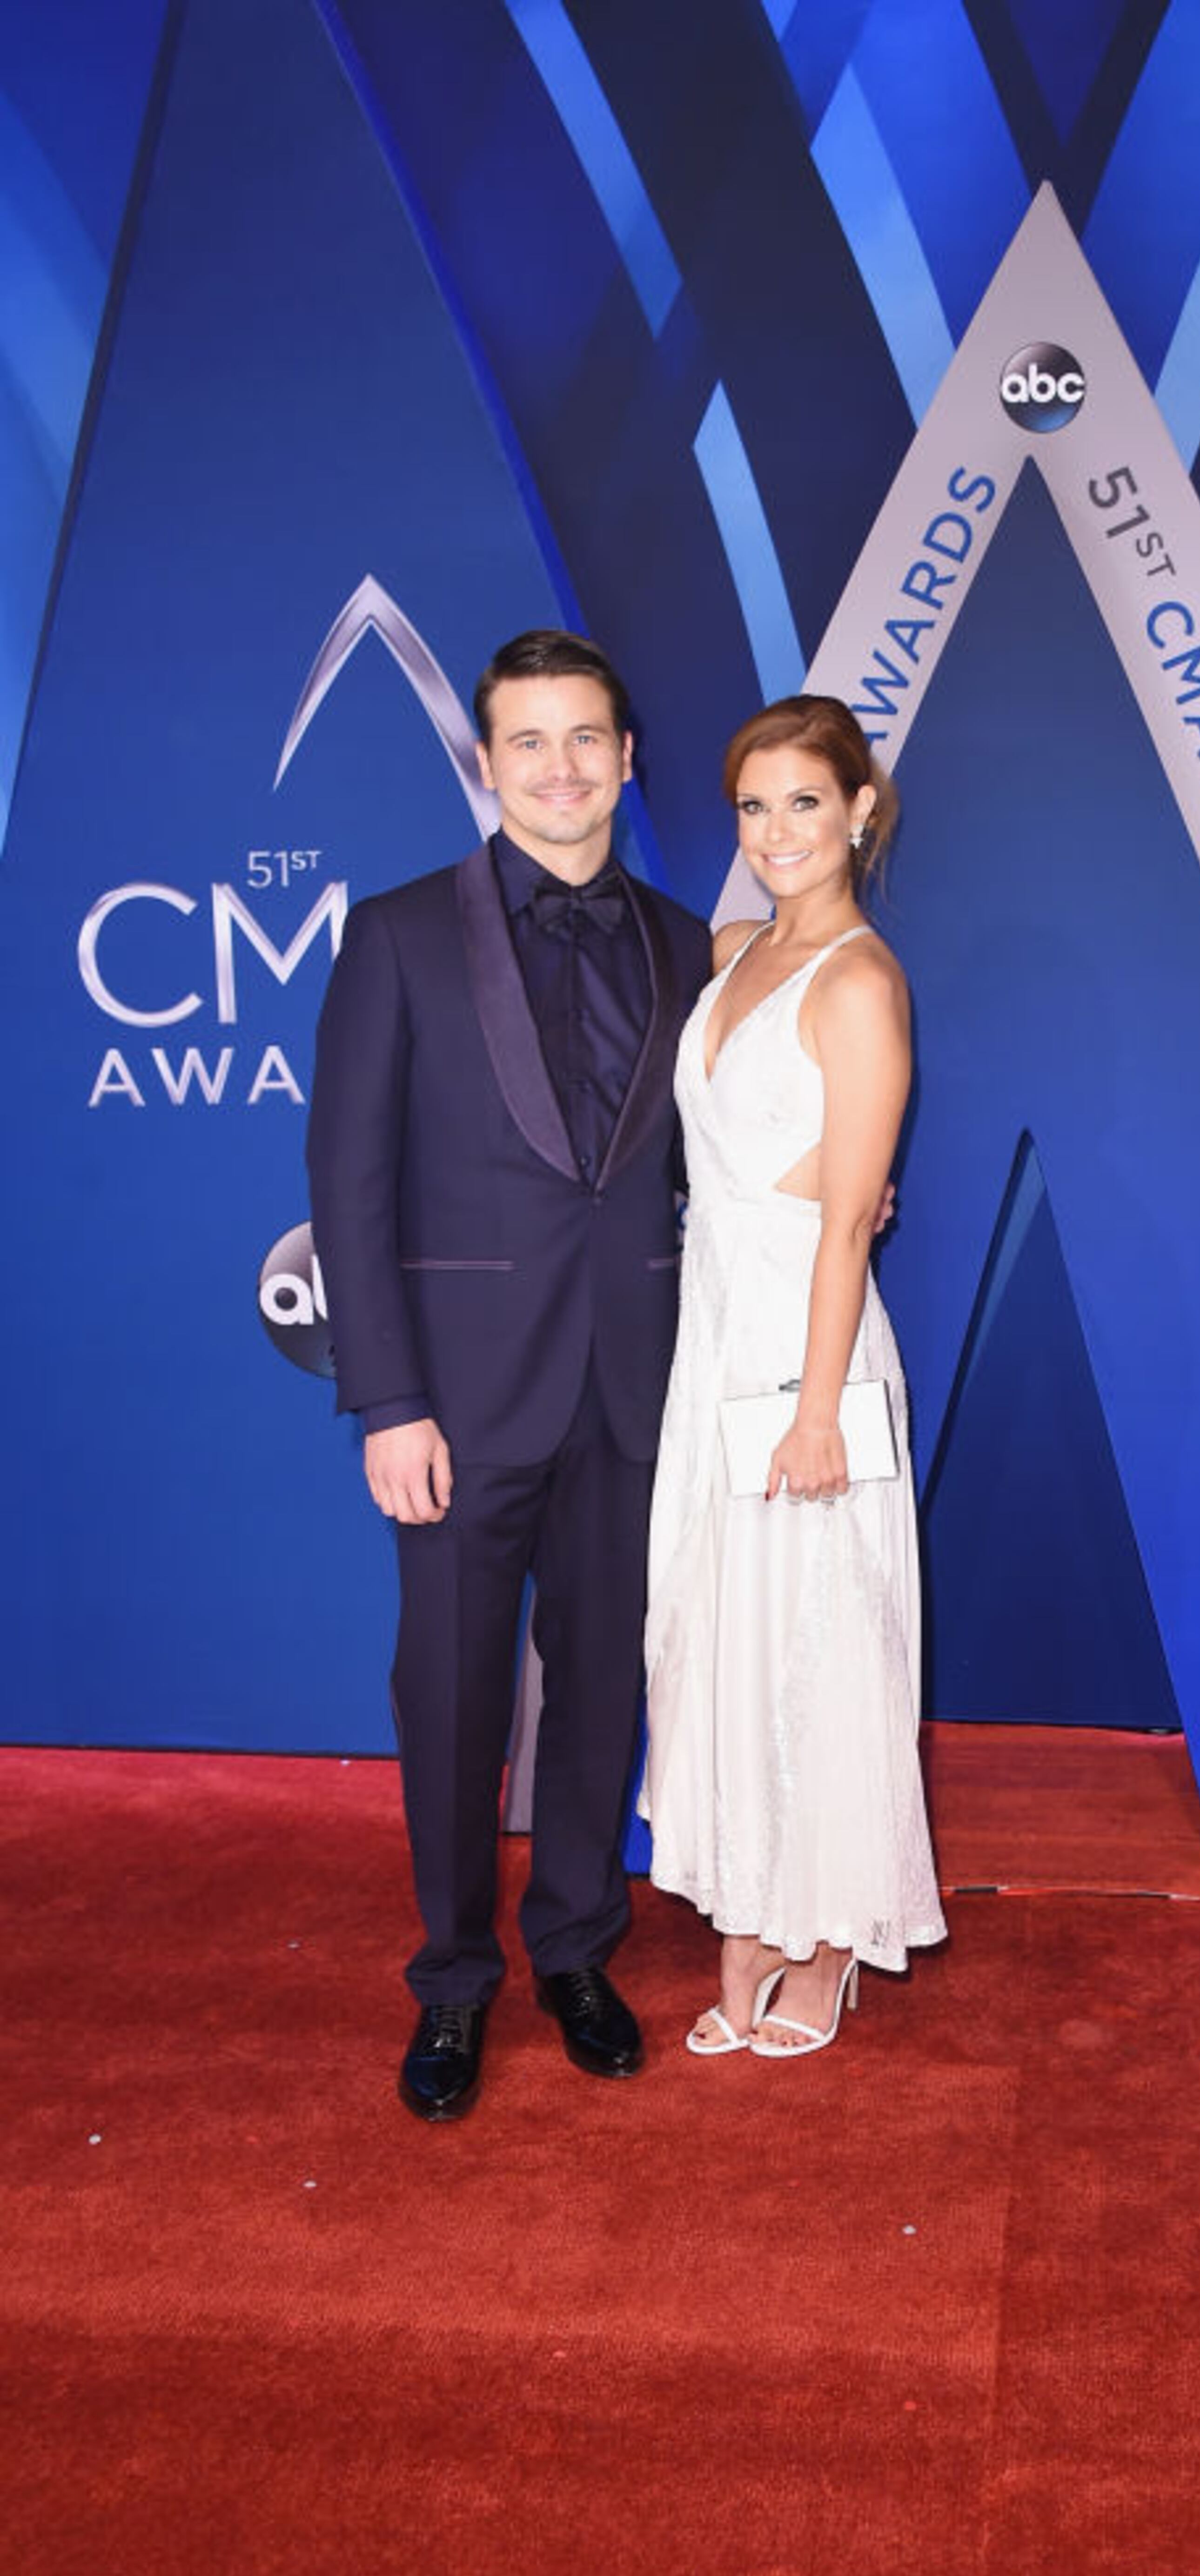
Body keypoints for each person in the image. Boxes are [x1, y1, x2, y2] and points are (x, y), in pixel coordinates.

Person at [307, 629, 711, 2120]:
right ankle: (456, 1982)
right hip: (459, 1406)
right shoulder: (402, 935)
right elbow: (350, 1183)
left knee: (605, 1687)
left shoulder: (686, 945)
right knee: (455, 1696)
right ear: (485, 762)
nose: (558, 768)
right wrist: (387, 1399)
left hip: (634, 1388)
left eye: (585, 739)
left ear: (628, 758)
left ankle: (580, 1951)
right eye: (527, 742)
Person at [641, 695, 945, 2056]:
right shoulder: (737, 952)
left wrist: (820, 1411)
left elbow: (846, 1223)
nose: (776, 833)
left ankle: (828, 1942)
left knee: (821, 1636)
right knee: (720, 1634)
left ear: (860, 813)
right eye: (753, 808)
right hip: (713, 1336)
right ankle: (749, 1917)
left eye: (804, 805)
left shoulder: (865, 982)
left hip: (804, 1350)